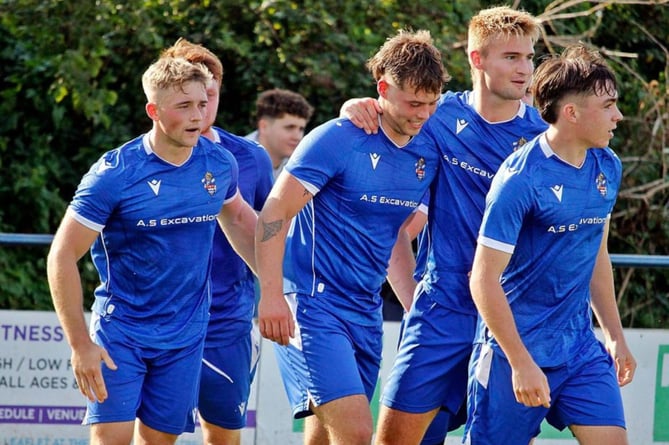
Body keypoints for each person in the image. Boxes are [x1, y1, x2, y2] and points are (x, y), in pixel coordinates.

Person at [341, 7, 547, 445]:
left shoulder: (543, 139)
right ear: (477, 59)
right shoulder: (435, 117)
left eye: (529, 57)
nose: (525, 68)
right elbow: (394, 217)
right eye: (511, 56)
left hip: (510, 320)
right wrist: (358, 106)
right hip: (440, 312)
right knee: (394, 439)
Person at [46, 56, 258, 445]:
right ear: (154, 111)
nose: (197, 116)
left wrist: (285, 284)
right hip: (122, 331)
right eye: (184, 106)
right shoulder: (114, 174)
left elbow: (243, 224)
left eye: (201, 102)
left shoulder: (219, 163)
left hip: (186, 334)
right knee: (112, 438)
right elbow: (61, 255)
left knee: (159, 441)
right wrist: (80, 345)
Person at [255, 29, 450, 445]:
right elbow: (276, 211)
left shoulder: (431, 146)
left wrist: (412, 300)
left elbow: (399, 234)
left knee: (324, 436)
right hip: (310, 302)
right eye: (414, 102)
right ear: (383, 88)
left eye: (431, 103)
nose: (423, 114)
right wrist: (270, 294)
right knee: (357, 433)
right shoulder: (337, 138)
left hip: (365, 308)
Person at [466, 44, 636, 445]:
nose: (618, 116)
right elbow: (483, 280)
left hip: (579, 348)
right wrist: (520, 362)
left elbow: (596, 253)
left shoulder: (607, 165)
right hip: (516, 351)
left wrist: (613, 334)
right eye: (609, 105)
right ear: (572, 113)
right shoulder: (520, 179)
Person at [161, 39, 274, 445]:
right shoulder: (142, 162)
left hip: (228, 322)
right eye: (190, 98)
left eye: (210, 95)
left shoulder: (251, 158)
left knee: (223, 434)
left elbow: (267, 232)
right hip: (163, 322)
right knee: (155, 434)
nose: (202, 107)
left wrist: (278, 293)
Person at [245, 88, 314, 178]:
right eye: (290, 127)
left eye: (301, 129)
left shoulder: (299, 164)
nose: (297, 137)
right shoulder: (239, 159)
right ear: (264, 126)